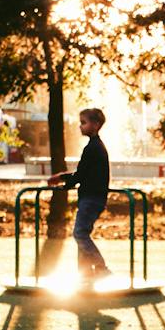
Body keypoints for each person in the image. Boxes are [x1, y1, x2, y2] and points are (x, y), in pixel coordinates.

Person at [49, 107, 111, 286]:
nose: (80, 126)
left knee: (80, 233)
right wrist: (61, 178)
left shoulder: (93, 148)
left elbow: (80, 175)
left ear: (96, 125)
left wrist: (64, 184)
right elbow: (82, 173)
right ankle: (85, 275)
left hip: (92, 199)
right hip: (91, 198)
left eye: (84, 123)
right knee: (82, 234)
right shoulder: (94, 147)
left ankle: (100, 268)